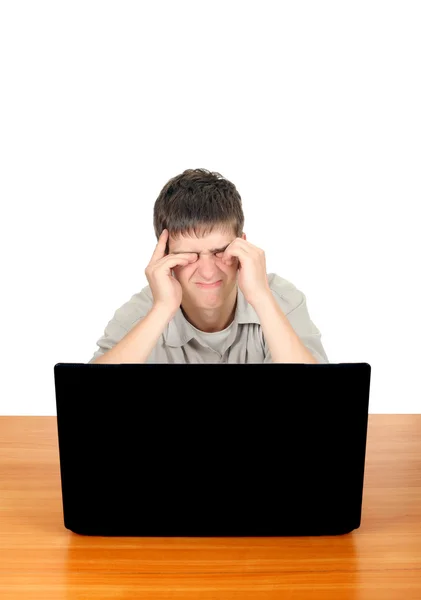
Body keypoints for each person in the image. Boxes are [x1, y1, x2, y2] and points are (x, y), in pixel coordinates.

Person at [88, 168, 329, 364]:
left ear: (242, 247)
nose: (208, 270)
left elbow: (320, 403)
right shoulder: (140, 314)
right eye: (189, 255)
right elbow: (87, 406)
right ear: (165, 257)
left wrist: (262, 299)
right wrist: (162, 309)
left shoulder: (281, 300)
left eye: (220, 251)